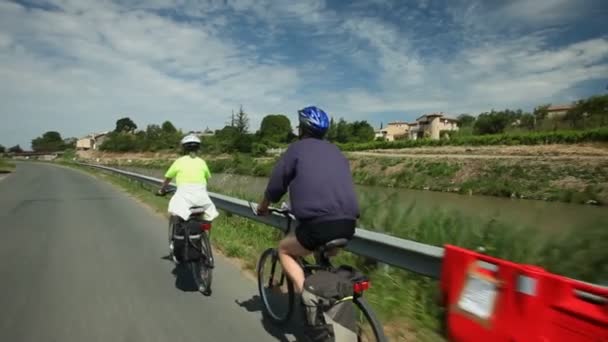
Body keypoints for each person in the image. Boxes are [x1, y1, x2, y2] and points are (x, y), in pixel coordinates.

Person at [257, 106, 360, 293]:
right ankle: (325, 295)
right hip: (349, 224)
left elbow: (277, 184)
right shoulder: (336, 151)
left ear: (302, 129)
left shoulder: (296, 149)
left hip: (318, 225)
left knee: (284, 250)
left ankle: (307, 294)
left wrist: (264, 205)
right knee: (322, 258)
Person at [159, 133, 219, 227]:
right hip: (202, 197)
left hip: (184, 197)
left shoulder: (179, 162)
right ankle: (204, 236)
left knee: (175, 212)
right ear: (198, 148)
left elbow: (168, 179)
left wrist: (162, 190)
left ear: (184, 148)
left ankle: (176, 239)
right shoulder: (202, 162)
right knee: (206, 220)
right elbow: (206, 179)